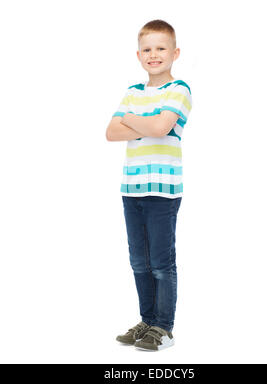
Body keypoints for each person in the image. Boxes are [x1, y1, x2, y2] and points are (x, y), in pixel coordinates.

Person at [105, 19, 192, 351]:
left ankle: (164, 327)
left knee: (160, 261)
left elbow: (161, 128)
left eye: (160, 48)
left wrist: (130, 119)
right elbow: (111, 132)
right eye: (147, 49)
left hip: (162, 192)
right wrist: (148, 122)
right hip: (132, 190)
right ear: (138, 54)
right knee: (139, 261)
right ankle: (147, 320)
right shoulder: (132, 92)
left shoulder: (179, 89)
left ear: (174, 53)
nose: (153, 55)